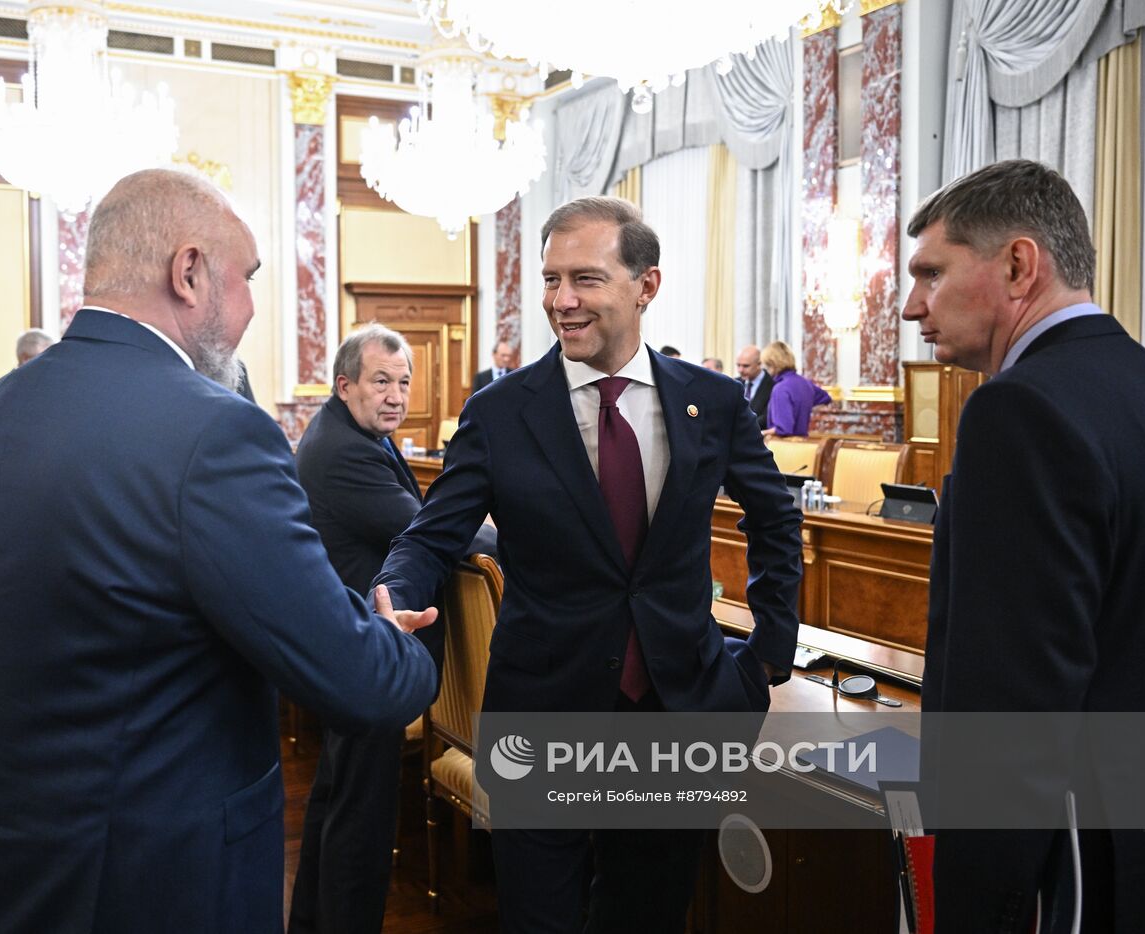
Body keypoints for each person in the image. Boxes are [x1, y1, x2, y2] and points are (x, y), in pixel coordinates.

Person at [0, 170, 438, 934]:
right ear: (188, 272)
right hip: (149, 873)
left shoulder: (6, 401)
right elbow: (355, 681)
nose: (254, 308)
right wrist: (394, 645)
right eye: (248, 278)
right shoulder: (216, 431)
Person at [373, 196, 802, 933]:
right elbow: (432, 534)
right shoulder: (502, 411)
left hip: (676, 717)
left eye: (585, 280)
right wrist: (393, 589)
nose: (560, 302)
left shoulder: (713, 402)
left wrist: (766, 653)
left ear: (647, 286)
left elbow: (775, 518)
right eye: (549, 281)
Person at [905, 159, 1145, 932]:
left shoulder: (1018, 412)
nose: (912, 305)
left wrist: (972, 904)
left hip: (1078, 854)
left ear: (1019, 264)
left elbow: (1014, 700)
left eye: (931, 272)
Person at [290, 324, 496, 934]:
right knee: (360, 819)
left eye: (404, 383)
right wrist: (509, 533)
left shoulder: (350, 433)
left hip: (357, 648)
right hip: (368, 652)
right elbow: (429, 531)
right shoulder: (343, 450)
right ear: (345, 383)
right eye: (381, 381)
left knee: (337, 802)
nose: (396, 396)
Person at [759, 341, 830, 438]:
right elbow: (825, 397)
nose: (765, 369)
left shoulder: (780, 388)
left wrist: (760, 433)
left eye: (766, 365)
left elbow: (783, 429)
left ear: (773, 364)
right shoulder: (805, 383)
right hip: (803, 443)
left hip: (785, 447)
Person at [735, 344, 773, 430]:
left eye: (746, 366)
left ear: (759, 364)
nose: (740, 370)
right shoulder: (734, 383)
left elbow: (767, 417)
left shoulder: (773, 385)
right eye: (738, 365)